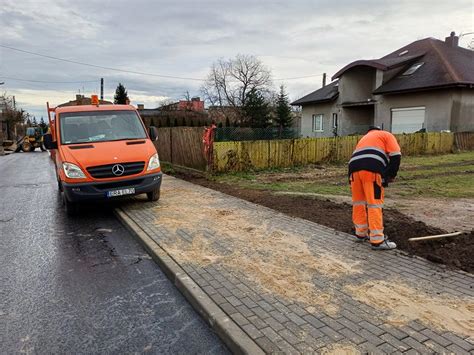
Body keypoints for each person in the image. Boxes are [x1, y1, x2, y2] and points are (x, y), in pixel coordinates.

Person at [348, 126, 401, 250]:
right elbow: (396, 155)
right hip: (371, 170)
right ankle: (377, 240)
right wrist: (390, 175)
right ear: (378, 130)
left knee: (358, 203)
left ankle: (361, 233)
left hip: (353, 171)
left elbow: (357, 158)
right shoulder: (386, 135)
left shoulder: (363, 139)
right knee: (374, 204)